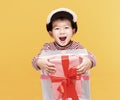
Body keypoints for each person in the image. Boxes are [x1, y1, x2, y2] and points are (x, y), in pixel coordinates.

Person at [32, 8, 96, 100]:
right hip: (54, 90)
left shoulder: (77, 47)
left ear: (73, 31)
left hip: (76, 88)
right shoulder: (48, 48)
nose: (62, 32)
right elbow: (35, 60)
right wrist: (39, 62)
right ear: (51, 34)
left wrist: (89, 61)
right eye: (57, 28)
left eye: (66, 28)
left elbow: (92, 56)